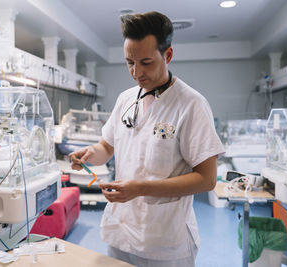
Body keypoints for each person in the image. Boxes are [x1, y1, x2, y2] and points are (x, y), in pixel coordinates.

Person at [69, 11, 225, 267]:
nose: (136, 72)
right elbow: (107, 146)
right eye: (129, 62)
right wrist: (89, 154)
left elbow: (206, 179)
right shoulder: (125, 99)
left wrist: (140, 188)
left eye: (146, 62)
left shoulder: (191, 104)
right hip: (121, 233)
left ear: (168, 55)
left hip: (166, 240)